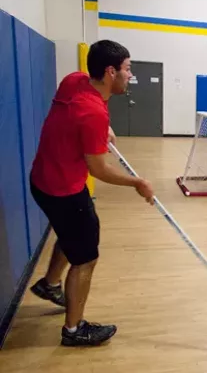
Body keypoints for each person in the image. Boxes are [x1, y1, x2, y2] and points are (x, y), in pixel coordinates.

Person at [28, 40, 155, 346]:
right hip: (64, 190)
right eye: (127, 68)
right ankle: (74, 331)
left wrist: (103, 128)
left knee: (70, 232)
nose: (130, 74)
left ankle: (49, 284)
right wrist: (136, 183)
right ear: (110, 71)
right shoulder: (92, 113)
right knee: (85, 258)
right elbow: (98, 168)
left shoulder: (75, 81)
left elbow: (79, 115)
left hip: (43, 180)